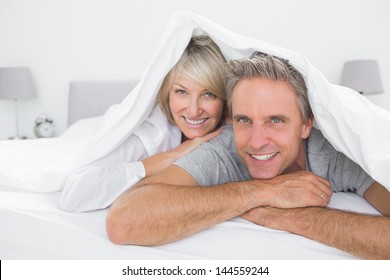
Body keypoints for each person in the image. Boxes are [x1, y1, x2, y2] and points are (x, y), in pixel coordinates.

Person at [106, 52, 390, 259]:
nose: (256, 141)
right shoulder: (224, 148)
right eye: (244, 120)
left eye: (276, 120)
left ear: (306, 124)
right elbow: (123, 221)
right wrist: (261, 192)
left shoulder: (337, 151)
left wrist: (291, 219)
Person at [59, 34, 228, 212]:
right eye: (181, 92)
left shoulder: (233, 130)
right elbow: (74, 195)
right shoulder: (149, 134)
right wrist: (170, 156)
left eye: (209, 94)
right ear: (167, 94)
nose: (194, 110)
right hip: (88, 131)